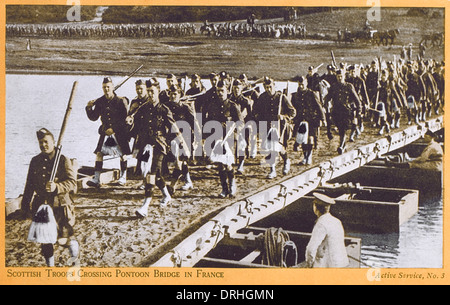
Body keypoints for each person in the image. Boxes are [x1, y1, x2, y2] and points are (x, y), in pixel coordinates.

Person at [21, 128, 79, 267]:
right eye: (41, 143)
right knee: (45, 241)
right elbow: (29, 185)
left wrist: (57, 187)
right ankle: (50, 269)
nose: (44, 145)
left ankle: (75, 262)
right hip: (42, 206)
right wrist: (25, 205)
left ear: (53, 142)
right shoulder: (35, 161)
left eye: (46, 142)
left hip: (60, 206)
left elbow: (72, 183)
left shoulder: (63, 159)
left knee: (63, 239)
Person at [132, 79, 189, 217]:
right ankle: (166, 195)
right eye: (149, 91)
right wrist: (136, 147)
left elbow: (174, 128)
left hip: (159, 145)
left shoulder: (164, 109)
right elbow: (138, 129)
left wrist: (184, 146)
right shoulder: (143, 109)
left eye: (153, 91)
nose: (150, 94)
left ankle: (145, 207)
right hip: (146, 146)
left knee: (151, 174)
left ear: (158, 92)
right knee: (154, 175)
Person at [85, 77, 131, 187]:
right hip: (105, 133)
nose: (106, 89)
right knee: (99, 154)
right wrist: (88, 108)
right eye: (104, 87)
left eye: (108, 87)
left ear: (112, 87)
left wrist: (114, 129)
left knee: (122, 154)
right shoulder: (100, 102)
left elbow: (125, 120)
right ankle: (96, 179)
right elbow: (93, 117)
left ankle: (123, 177)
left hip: (118, 132)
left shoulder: (120, 101)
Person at [203, 80, 244, 197]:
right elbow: (207, 121)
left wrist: (235, 127)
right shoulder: (212, 105)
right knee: (220, 165)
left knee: (228, 164)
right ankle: (224, 188)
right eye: (218, 91)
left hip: (228, 139)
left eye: (222, 91)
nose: (220, 93)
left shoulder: (232, 106)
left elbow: (240, 122)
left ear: (227, 91)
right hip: (216, 138)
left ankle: (232, 185)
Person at [253, 77, 296, 178]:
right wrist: (257, 117)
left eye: (270, 87)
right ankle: (272, 170)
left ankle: (286, 160)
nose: (268, 89)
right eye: (266, 87)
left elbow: (293, 111)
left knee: (279, 148)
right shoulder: (262, 98)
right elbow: (255, 109)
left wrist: (284, 116)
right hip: (266, 126)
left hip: (278, 127)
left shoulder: (281, 97)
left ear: (274, 86)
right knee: (270, 149)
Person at [164, 85, 200, 193]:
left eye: (175, 94)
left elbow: (194, 124)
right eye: (171, 94)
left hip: (185, 138)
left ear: (180, 95)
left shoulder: (185, 108)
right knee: (180, 162)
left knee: (179, 161)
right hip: (172, 138)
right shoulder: (166, 107)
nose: (173, 96)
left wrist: (197, 139)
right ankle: (188, 181)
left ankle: (172, 185)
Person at [303, 192, 349, 268]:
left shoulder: (321, 224)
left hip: (330, 267)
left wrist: (309, 264)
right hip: (342, 263)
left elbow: (311, 249)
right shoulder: (337, 221)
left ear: (315, 207)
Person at [324, 69, 361, 154]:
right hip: (336, 111)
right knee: (339, 128)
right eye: (338, 76)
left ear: (344, 76)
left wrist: (358, 111)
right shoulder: (333, 87)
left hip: (346, 111)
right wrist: (325, 103)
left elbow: (357, 100)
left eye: (341, 76)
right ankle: (343, 144)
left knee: (343, 129)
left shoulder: (349, 86)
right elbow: (328, 97)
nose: (340, 78)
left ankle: (341, 146)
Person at [290, 76, 325, 165]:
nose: (301, 86)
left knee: (310, 139)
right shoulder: (296, 95)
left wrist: (323, 118)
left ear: (306, 84)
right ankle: (305, 157)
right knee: (302, 139)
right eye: (299, 85)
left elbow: (319, 106)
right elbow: (294, 107)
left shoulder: (311, 94)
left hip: (312, 119)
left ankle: (309, 157)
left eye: (302, 84)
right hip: (301, 120)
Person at [229, 79, 254, 174]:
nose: (236, 90)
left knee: (241, 144)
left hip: (242, 124)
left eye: (238, 88)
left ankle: (241, 163)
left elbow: (250, 115)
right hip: (231, 123)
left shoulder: (245, 101)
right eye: (234, 88)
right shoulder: (229, 99)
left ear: (241, 89)